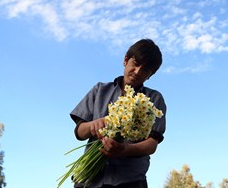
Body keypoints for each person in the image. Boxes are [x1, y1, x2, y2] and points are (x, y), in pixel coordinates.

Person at [70, 39, 167, 188]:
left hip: (130, 181)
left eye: (146, 70)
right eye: (135, 64)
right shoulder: (99, 90)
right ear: (125, 60)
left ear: (150, 75)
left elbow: (151, 144)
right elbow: (79, 132)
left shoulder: (153, 99)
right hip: (88, 181)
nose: (137, 72)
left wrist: (124, 150)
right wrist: (92, 126)